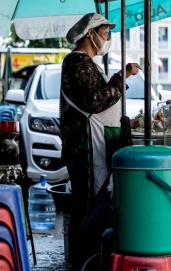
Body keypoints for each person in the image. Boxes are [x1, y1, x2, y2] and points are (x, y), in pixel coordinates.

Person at [60, 13, 141, 270]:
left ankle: (89, 257)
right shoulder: (78, 62)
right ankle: (84, 260)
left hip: (92, 144)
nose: (108, 38)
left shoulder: (89, 64)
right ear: (90, 34)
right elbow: (94, 102)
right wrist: (122, 76)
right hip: (84, 148)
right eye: (105, 33)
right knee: (87, 205)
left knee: (92, 203)